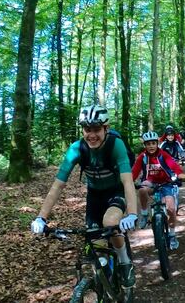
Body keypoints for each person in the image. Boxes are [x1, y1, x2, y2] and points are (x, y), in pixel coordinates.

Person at [30, 104, 139, 287]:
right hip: (94, 195)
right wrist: (41, 217)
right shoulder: (76, 149)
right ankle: (106, 281)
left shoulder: (115, 145)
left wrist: (132, 214)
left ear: (106, 128)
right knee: (96, 243)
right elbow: (58, 185)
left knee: (110, 223)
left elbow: (128, 181)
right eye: (87, 129)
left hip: (116, 191)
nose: (92, 135)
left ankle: (124, 261)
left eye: (96, 129)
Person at [131, 131, 185, 250]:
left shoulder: (163, 154)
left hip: (166, 183)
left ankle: (172, 235)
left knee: (171, 208)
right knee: (142, 190)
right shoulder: (143, 157)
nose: (151, 146)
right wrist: (129, 181)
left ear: (157, 143)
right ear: (145, 145)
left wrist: (180, 174)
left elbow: (173, 165)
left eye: (153, 143)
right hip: (150, 182)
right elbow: (135, 171)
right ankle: (144, 214)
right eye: (148, 144)